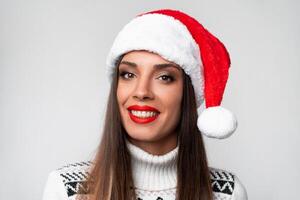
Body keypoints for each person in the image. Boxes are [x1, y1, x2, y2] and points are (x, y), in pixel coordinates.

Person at [42, 9, 248, 200]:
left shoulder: (227, 193)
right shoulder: (67, 189)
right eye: (128, 74)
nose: (141, 92)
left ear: (188, 94)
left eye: (164, 77)